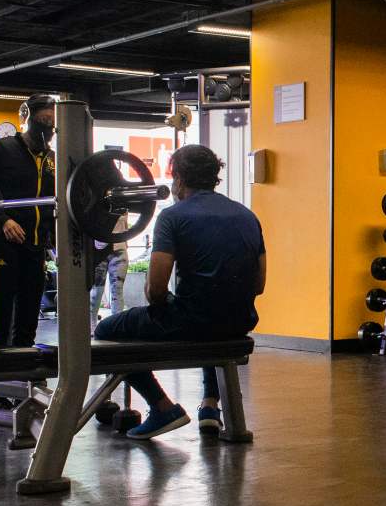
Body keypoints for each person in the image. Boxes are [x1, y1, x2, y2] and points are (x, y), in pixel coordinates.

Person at [95, 145, 266, 440]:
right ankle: (210, 407)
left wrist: (167, 300)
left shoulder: (172, 217)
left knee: (107, 328)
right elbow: (259, 285)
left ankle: (161, 406)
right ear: (215, 177)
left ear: (178, 179)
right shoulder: (247, 216)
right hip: (240, 322)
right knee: (209, 312)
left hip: (193, 322)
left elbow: (156, 291)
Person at [0, 94, 55, 347]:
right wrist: (3, 220)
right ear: (27, 119)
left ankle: (25, 377)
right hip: (3, 243)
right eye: (43, 121)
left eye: (52, 124)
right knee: (0, 317)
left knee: (29, 317)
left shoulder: (52, 159)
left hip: (36, 245)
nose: (47, 128)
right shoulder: (1, 148)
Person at [90, 214, 130, 332]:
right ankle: (92, 325)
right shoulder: (97, 202)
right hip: (100, 247)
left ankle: (115, 325)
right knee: (96, 290)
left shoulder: (123, 204)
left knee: (117, 289)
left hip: (118, 247)